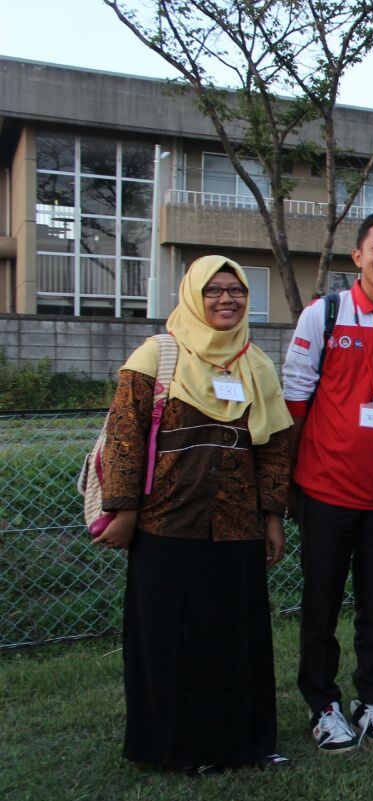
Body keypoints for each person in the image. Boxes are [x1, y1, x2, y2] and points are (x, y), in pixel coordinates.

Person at [96, 255, 293, 774]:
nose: (227, 299)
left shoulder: (257, 364)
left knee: (236, 635)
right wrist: (123, 510)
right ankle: (174, 747)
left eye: (237, 291)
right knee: (168, 637)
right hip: (165, 522)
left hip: (237, 526)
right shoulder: (154, 356)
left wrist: (272, 517)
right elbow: (123, 437)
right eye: (214, 290)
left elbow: (273, 449)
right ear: (192, 295)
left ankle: (244, 743)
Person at [284, 210, 373, 753]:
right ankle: (322, 705)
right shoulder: (323, 314)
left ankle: (372, 701)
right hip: (323, 490)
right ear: (358, 256)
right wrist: (289, 485)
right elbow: (295, 399)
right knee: (320, 605)